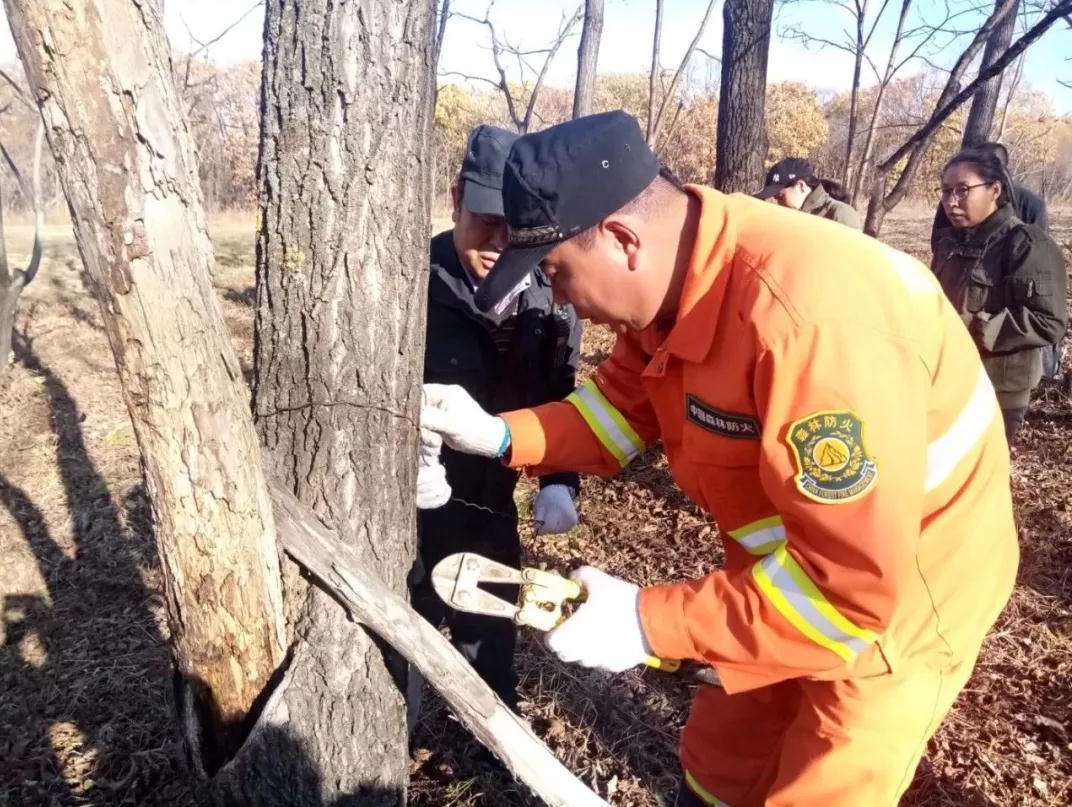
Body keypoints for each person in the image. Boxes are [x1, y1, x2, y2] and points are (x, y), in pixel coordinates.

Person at [421, 111, 1019, 806]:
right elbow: (618, 411)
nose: (557, 297)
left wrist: (650, 622)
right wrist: (496, 434)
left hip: (901, 592)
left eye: (555, 271)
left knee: (825, 779)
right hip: (786, 571)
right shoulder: (678, 286)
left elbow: (847, 592)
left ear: (621, 240)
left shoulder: (808, 327)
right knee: (722, 755)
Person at [412, 124, 582, 711]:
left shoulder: (549, 290)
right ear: (456, 198)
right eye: (485, 221)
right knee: (404, 623)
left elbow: (563, 390)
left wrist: (560, 480)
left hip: (493, 501)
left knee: (489, 635)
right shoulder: (410, 282)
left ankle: (494, 745)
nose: (497, 243)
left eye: (513, 228)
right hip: (412, 505)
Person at [930, 148, 1067, 443]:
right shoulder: (947, 243)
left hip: (997, 388)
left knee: (982, 478)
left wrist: (973, 329)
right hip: (948, 376)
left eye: (963, 190)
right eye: (945, 191)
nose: (951, 201)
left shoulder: (1027, 245)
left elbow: (1049, 320)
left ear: (994, 190)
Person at [753, 157, 861, 230]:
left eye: (780, 195)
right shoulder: (791, 218)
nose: (777, 201)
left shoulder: (840, 213)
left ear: (801, 186)